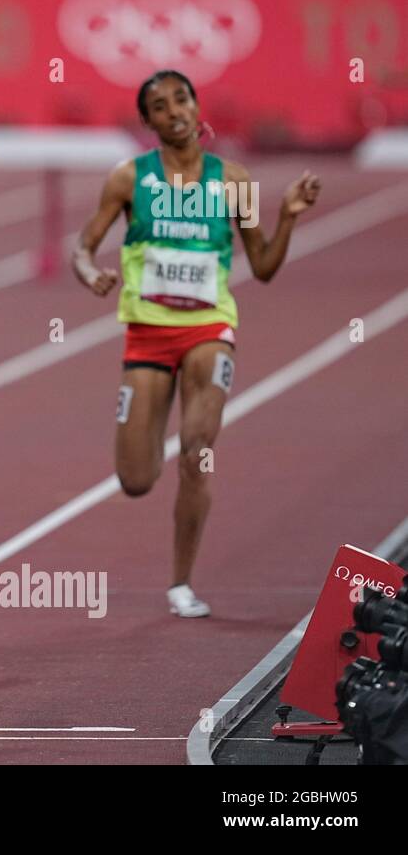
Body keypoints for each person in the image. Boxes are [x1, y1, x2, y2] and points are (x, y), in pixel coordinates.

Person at [71, 69, 320, 617]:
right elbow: (84, 247)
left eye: (181, 98)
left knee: (196, 453)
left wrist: (287, 218)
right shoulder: (126, 180)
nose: (174, 110)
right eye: (159, 106)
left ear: (196, 103)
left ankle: (181, 584)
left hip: (210, 329)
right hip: (146, 335)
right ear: (148, 121)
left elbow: (264, 266)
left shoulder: (235, 181)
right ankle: (155, 430)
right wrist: (90, 272)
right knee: (135, 480)